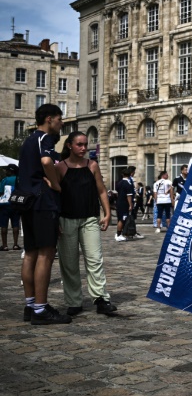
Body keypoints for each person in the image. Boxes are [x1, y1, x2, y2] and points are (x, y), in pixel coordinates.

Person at [18, 104, 70, 324]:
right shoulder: (44, 138)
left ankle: (31, 305)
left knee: (30, 253)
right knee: (46, 254)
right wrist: (56, 184)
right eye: (60, 119)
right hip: (42, 202)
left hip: (26, 201)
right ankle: (41, 309)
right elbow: (47, 161)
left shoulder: (28, 141)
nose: (61, 124)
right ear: (49, 119)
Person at [55, 131, 117, 316]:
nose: (83, 148)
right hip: (66, 219)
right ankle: (74, 301)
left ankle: (101, 299)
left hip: (90, 218)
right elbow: (55, 196)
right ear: (69, 146)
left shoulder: (92, 165)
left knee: (95, 260)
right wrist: (54, 219)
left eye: (85, 144)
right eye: (79, 144)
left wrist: (107, 213)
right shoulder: (61, 167)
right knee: (69, 263)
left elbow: (102, 191)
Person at [0, 164, 21, 251]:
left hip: (4, 205)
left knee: (3, 225)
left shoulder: (4, 180)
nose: (6, 172)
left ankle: (4, 245)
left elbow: (0, 191)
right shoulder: (18, 179)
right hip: (16, 204)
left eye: (7, 170)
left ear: (10, 171)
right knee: (15, 224)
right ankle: (15, 244)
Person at [114, 168, 134, 242]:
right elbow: (129, 196)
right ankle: (119, 234)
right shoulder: (127, 184)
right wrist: (130, 205)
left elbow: (117, 192)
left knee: (120, 218)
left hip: (119, 202)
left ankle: (119, 233)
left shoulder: (119, 183)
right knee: (122, 219)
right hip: (124, 203)